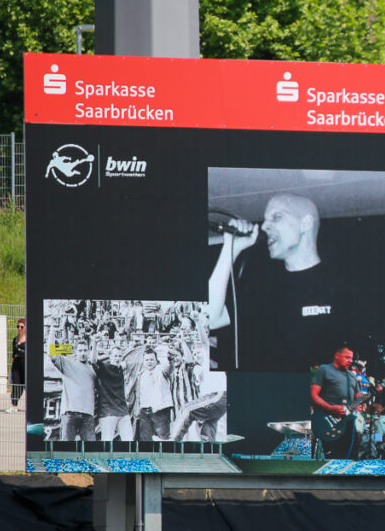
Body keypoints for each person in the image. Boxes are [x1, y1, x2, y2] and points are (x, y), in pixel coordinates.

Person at [208, 193, 369, 371]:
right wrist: (231, 248)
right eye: (265, 220)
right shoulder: (263, 288)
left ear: (305, 224)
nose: (265, 226)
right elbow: (210, 319)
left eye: (276, 217)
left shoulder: (343, 286)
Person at [310, 346, 359, 459]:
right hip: (328, 419)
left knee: (353, 455)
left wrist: (357, 404)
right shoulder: (324, 370)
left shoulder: (351, 376)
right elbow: (313, 395)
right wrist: (330, 408)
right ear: (337, 356)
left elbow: (357, 397)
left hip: (347, 421)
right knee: (334, 456)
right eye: (347, 357)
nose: (350, 361)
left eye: (351, 358)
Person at [48, 339, 97, 441]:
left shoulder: (93, 370)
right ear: (75, 352)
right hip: (70, 413)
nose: (83, 353)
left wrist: (95, 343)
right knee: (66, 448)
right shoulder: (67, 364)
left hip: (87, 415)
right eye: (80, 350)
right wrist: (52, 327)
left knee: (91, 450)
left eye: (85, 350)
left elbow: (94, 361)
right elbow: (51, 353)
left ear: (88, 351)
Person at [133, 346, 175, 441]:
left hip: (160, 410)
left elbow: (168, 368)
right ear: (143, 362)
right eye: (147, 360)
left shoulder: (161, 370)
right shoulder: (141, 374)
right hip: (144, 412)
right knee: (145, 440)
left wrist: (170, 360)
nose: (149, 362)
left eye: (152, 359)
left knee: (163, 439)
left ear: (156, 361)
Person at [8, 318, 26, 413]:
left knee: (26, 385)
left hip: (25, 365)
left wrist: (20, 352)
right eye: (18, 326)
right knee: (16, 384)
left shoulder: (28, 340)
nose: (19, 328)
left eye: (21, 327)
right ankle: (14, 405)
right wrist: (11, 369)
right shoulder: (15, 340)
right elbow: (13, 355)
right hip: (16, 365)